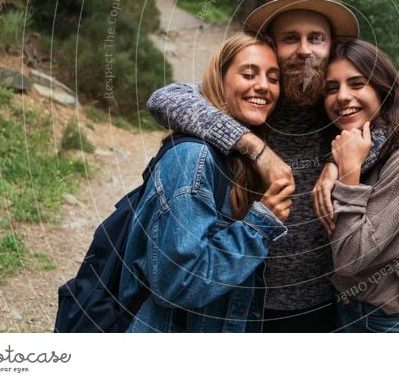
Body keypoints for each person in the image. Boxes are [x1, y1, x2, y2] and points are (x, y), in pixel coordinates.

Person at [146, 0, 399, 332]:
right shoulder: (257, 99)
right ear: (273, 44)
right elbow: (166, 98)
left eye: (316, 38)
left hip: (327, 305)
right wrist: (255, 147)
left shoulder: (338, 106)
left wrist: (341, 163)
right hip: (245, 301)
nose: (304, 50)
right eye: (290, 39)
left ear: (331, 47)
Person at [119, 34, 295, 332]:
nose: (263, 85)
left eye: (273, 78)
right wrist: (258, 227)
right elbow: (177, 283)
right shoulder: (193, 157)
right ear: (220, 80)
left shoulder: (239, 160)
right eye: (248, 74)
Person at [324, 40, 399, 332]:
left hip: (393, 323)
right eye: (331, 88)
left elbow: (352, 259)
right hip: (346, 311)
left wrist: (348, 173)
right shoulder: (345, 145)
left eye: (357, 84)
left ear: (382, 89)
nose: (342, 96)